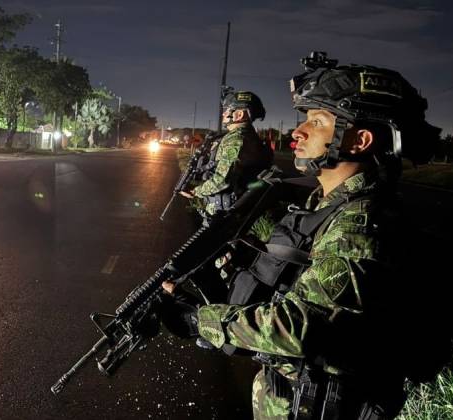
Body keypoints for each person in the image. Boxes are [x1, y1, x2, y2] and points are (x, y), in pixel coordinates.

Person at [167, 52, 439, 419]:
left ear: (358, 140)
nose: (298, 131)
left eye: (317, 121)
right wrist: (246, 268)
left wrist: (202, 320)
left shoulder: (360, 222)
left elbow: (299, 326)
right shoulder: (328, 203)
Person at [180, 90, 273, 218]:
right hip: (236, 207)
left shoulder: (236, 139)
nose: (223, 113)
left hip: (225, 212)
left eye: (227, 110)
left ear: (239, 114)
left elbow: (222, 180)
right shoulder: (247, 136)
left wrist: (196, 192)